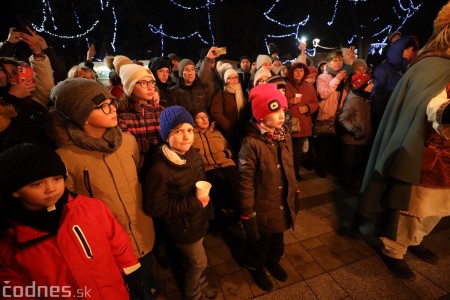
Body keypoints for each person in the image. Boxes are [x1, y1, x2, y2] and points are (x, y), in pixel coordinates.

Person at [354, 0, 450, 280]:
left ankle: (414, 242)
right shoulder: (429, 65)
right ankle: (394, 248)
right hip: (424, 152)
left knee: (436, 210)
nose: (408, 51)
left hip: (445, 157)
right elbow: (434, 106)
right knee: (414, 207)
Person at [46, 78, 160, 298]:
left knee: (148, 286)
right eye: (102, 106)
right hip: (107, 249)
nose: (112, 109)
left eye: (112, 102)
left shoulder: (127, 142)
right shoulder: (66, 158)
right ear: (82, 115)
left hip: (142, 233)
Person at [0, 143, 147, 299]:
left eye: (57, 179)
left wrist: (133, 274)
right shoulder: (10, 242)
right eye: (37, 184)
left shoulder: (90, 208)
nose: (51, 188)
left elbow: (117, 242)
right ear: (15, 190)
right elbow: (14, 288)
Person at [144, 106, 218, 300]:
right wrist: (194, 204)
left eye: (189, 130)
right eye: (178, 131)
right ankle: (193, 294)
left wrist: (205, 209)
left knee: (197, 260)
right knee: (199, 263)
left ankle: (201, 284)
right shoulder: (160, 169)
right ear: (166, 136)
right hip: (183, 228)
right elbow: (155, 206)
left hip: (198, 220)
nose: (186, 137)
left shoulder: (192, 155)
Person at [238, 83, 300, 291]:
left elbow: (289, 166)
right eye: (274, 111)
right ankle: (255, 266)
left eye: (282, 109)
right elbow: (245, 182)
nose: (281, 115)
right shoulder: (251, 144)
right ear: (261, 116)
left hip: (281, 200)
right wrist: (248, 213)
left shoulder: (284, 135)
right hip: (263, 205)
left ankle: (273, 261)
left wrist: (294, 190)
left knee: (277, 238)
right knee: (260, 242)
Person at [193, 109, 239, 230]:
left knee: (236, 182)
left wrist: (226, 153)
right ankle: (218, 218)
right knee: (217, 182)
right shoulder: (192, 136)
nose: (204, 119)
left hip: (225, 163)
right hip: (207, 167)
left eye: (206, 117)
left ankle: (239, 213)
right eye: (200, 117)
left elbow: (230, 149)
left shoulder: (217, 133)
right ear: (194, 121)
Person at [117, 63, 164, 177]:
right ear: (131, 87)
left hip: (161, 171)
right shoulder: (121, 116)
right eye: (143, 83)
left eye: (152, 82)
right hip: (135, 173)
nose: (150, 87)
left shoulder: (161, 111)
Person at [370, 36, 418, 135]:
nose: (410, 52)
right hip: (383, 117)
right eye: (407, 48)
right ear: (398, 49)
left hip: (396, 116)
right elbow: (375, 95)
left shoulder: (403, 70)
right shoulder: (383, 69)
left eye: (412, 49)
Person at [315, 49, 348, 178]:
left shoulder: (342, 77)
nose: (338, 63)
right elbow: (323, 94)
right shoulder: (322, 77)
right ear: (328, 62)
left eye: (340, 60)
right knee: (323, 146)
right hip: (326, 115)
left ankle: (332, 167)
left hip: (338, 115)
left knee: (334, 146)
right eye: (335, 60)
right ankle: (321, 168)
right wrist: (336, 80)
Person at [337, 73, 373, 187]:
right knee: (349, 162)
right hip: (352, 139)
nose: (373, 85)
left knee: (356, 161)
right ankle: (345, 181)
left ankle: (352, 178)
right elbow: (342, 119)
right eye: (370, 83)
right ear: (361, 86)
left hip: (362, 138)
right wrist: (355, 130)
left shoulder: (365, 99)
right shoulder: (354, 100)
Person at [285, 62, 319, 180]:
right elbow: (280, 101)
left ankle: (295, 171)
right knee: (287, 150)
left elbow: (315, 103)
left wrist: (307, 108)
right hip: (288, 123)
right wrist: (290, 101)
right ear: (292, 72)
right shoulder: (286, 85)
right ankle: (287, 173)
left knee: (298, 151)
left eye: (301, 70)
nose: (299, 73)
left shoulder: (309, 87)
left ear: (305, 73)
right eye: (296, 70)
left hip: (303, 123)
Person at [169, 47, 220, 116]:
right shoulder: (174, 91)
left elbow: (207, 107)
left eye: (192, 69)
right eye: (186, 70)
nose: (190, 73)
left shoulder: (202, 88)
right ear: (181, 73)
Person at [210, 68, 250, 152]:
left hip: (244, 131)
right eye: (230, 78)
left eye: (235, 77)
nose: (234, 80)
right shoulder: (221, 94)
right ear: (225, 80)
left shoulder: (242, 93)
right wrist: (228, 127)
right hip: (229, 133)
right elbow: (216, 113)